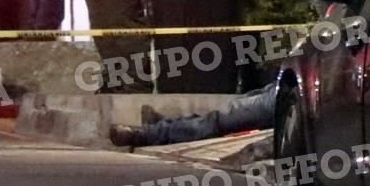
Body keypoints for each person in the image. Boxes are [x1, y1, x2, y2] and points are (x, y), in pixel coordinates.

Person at [110, 82, 277, 147]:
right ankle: (167, 126)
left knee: (219, 120)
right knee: (226, 113)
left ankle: (149, 134)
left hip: (290, 97)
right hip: (285, 89)